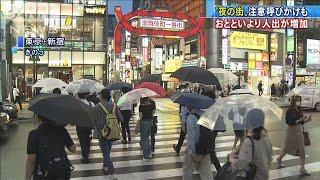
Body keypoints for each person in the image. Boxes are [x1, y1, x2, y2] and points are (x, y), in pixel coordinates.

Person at [25, 115, 76, 180]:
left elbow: (31, 160)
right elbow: (73, 149)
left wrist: (27, 178)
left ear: (38, 118)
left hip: (44, 174)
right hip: (62, 172)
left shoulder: (34, 134)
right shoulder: (61, 130)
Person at [229, 109, 273, 180]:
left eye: (246, 120)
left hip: (254, 177)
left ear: (250, 122)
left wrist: (231, 159)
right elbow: (270, 158)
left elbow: (243, 163)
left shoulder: (249, 141)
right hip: (264, 175)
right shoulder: (266, 138)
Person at [277, 95, 312, 176]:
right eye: (297, 100)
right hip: (292, 131)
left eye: (299, 100)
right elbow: (289, 122)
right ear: (293, 101)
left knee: (302, 149)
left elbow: (301, 121)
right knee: (288, 147)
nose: (298, 101)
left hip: (299, 130)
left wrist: (306, 120)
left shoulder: (300, 109)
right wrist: (299, 120)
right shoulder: (290, 110)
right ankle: (279, 159)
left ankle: (302, 168)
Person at [93, 89, 122, 179]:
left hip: (102, 133)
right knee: (107, 151)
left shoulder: (97, 107)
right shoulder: (114, 106)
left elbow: (94, 121)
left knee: (105, 153)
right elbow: (121, 118)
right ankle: (105, 166)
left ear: (102, 96)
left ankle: (112, 173)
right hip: (112, 132)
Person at [182, 105, 213, 180]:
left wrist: (191, 152)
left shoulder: (191, 117)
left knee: (187, 171)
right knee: (206, 172)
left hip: (196, 150)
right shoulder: (205, 114)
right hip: (206, 148)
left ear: (190, 106)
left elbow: (191, 137)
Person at [76, 92, 94, 164]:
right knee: (88, 140)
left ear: (78, 96)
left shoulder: (76, 104)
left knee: (82, 140)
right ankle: (87, 155)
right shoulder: (91, 104)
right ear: (86, 95)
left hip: (80, 125)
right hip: (88, 125)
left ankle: (84, 157)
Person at [139, 97, 156, 162]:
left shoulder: (141, 107)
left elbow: (141, 117)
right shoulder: (151, 105)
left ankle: (145, 156)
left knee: (144, 140)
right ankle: (149, 153)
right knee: (147, 138)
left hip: (144, 123)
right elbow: (152, 114)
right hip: (150, 122)